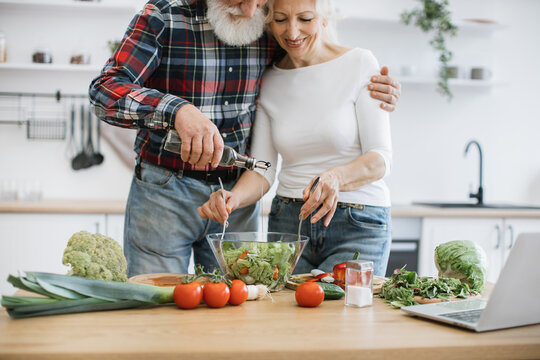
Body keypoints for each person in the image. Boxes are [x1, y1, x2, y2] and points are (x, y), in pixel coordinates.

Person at [89, 0, 400, 277]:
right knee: (155, 308)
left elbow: (313, 57)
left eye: (260, 3)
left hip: (236, 201)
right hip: (165, 192)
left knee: (238, 320)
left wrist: (382, 87)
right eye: (239, 1)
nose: (252, 11)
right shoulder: (166, 15)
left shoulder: (274, 25)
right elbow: (105, 91)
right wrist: (177, 111)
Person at [198, 0, 392, 276]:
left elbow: (380, 159)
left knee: (344, 317)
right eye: (280, 19)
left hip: (357, 222)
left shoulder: (360, 63)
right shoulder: (270, 81)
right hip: (289, 225)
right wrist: (233, 198)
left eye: (304, 19)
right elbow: (264, 169)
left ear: (324, 19)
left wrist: (335, 177)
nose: (292, 32)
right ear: (268, 22)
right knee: (286, 317)